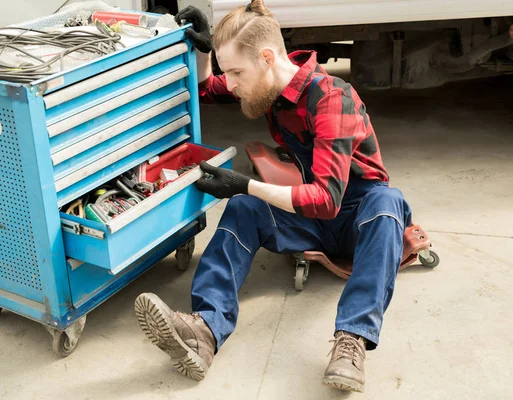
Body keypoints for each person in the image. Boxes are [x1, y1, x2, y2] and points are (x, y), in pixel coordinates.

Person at [134, 0, 412, 393]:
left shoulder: (333, 98)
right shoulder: (269, 87)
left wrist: (244, 183)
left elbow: (327, 200)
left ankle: (352, 340)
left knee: (388, 203)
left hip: (357, 218)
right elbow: (203, 88)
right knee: (246, 208)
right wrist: (200, 49)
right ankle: (205, 330)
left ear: (267, 58)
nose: (229, 84)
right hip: (310, 216)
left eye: (235, 73)